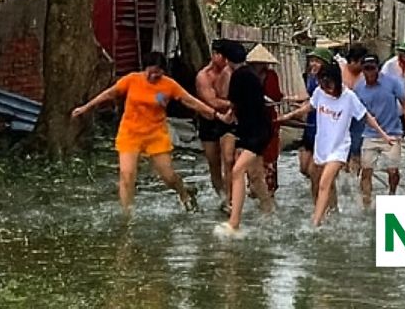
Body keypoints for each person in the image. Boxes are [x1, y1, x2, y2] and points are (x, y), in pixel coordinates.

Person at [72, 51, 217, 214]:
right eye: (150, 71)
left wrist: (214, 113)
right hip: (130, 133)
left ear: (163, 71)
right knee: (126, 176)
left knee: (168, 176)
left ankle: (184, 193)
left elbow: (190, 101)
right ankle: (127, 216)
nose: (153, 75)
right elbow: (109, 93)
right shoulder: (132, 79)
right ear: (144, 68)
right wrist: (86, 107)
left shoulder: (169, 85)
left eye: (157, 72)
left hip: (156, 135)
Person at [279, 62, 395, 226]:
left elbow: (365, 116)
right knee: (317, 179)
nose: (326, 88)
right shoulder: (319, 92)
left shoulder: (349, 97)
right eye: (323, 84)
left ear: (337, 80)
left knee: (324, 183)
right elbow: (308, 108)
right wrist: (287, 117)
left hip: (340, 148)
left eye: (329, 84)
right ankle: (331, 212)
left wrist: (384, 135)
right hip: (322, 146)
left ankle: (315, 223)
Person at [213, 41, 274, 237]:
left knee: (237, 170)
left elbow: (233, 106)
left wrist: (222, 117)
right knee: (254, 173)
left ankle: (234, 223)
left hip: (256, 133)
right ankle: (268, 211)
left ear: (227, 59)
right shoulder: (250, 74)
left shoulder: (238, 77)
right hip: (253, 131)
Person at [354, 54, 405, 209]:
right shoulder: (358, 87)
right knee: (366, 170)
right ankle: (367, 203)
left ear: (378, 69)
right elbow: (356, 111)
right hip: (369, 134)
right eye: (366, 69)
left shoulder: (392, 82)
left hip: (392, 132)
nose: (369, 72)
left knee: (392, 171)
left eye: (372, 68)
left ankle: (391, 195)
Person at [195, 39, 238, 212]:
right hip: (209, 119)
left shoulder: (230, 71)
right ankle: (221, 194)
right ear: (215, 55)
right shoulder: (203, 76)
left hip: (229, 119)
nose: (226, 61)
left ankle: (230, 197)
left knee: (228, 159)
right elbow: (211, 101)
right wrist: (234, 103)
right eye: (223, 57)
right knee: (214, 162)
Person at [246, 44, 283, 197]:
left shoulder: (271, 76)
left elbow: (275, 97)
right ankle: (255, 186)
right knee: (252, 159)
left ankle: (268, 191)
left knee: (269, 158)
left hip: (269, 121)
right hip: (251, 121)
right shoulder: (246, 77)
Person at [298, 47, 332, 202]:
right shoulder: (311, 78)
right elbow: (309, 98)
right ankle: (321, 203)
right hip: (310, 128)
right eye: (312, 60)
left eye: (317, 61)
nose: (313, 64)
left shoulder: (330, 83)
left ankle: (325, 207)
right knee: (304, 168)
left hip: (324, 132)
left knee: (315, 173)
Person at [340, 44, 368, 175]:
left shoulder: (366, 75)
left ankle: (355, 178)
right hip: (341, 116)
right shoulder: (339, 70)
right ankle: (343, 175)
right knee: (343, 148)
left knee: (357, 147)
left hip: (359, 117)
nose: (363, 66)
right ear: (352, 60)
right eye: (361, 62)